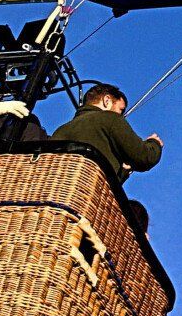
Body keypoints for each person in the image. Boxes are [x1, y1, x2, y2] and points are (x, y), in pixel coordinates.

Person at [53, 83, 163, 231]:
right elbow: (144, 157)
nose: (121, 116)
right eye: (120, 110)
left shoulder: (62, 130)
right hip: (85, 210)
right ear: (107, 101)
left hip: (54, 207)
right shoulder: (110, 119)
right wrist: (154, 144)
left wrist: (123, 171)